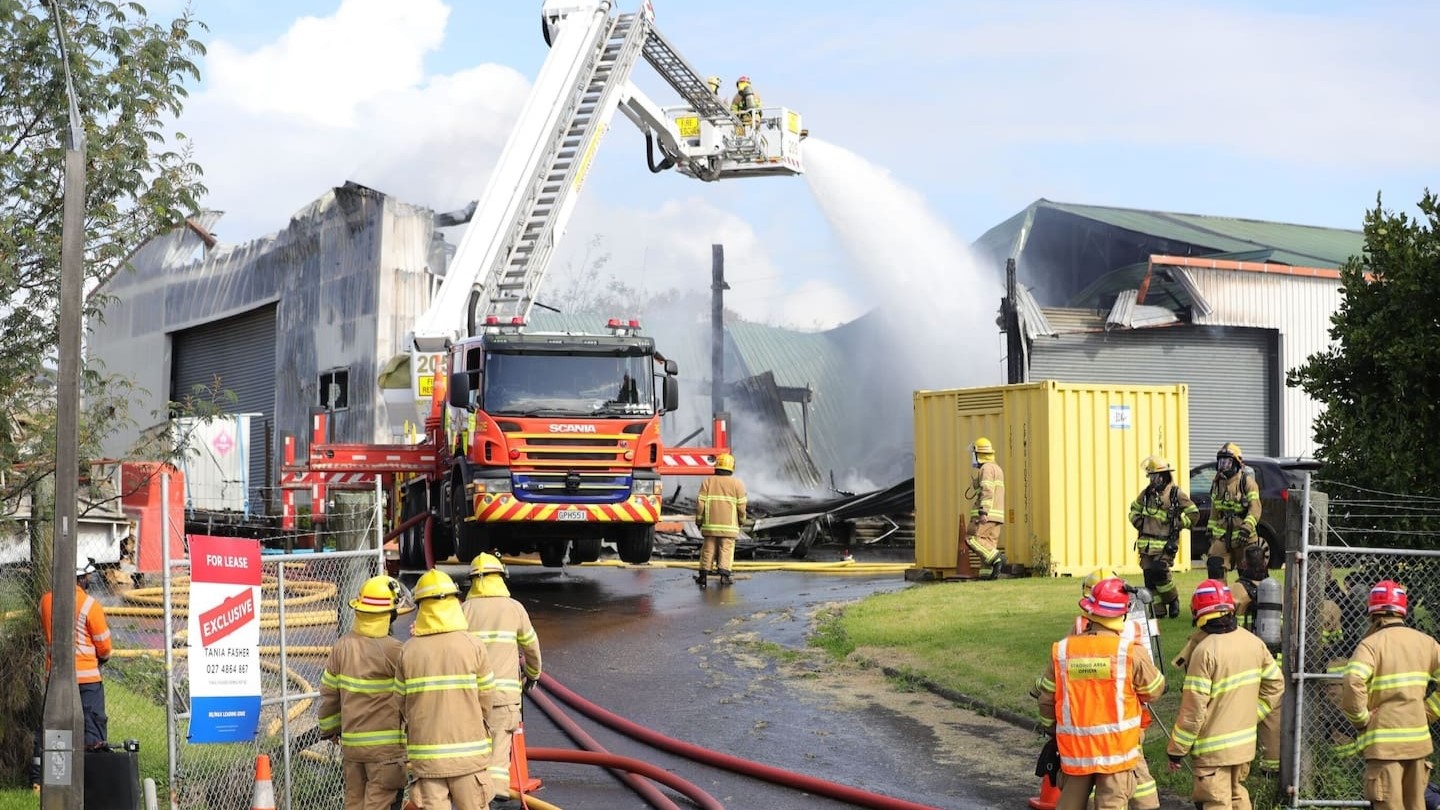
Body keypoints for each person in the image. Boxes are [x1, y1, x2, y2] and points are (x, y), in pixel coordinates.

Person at [1035, 577, 1165, 810]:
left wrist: (1052, 730)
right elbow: (1154, 691)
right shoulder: (1129, 653)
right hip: (1117, 754)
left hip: (1075, 753)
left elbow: (1046, 699)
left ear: (1091, 611)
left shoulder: (1063, 650)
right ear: (1122, 614)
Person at [1167, 579, 1284, 810]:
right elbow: (1276, 685)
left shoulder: (1204, 652)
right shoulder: (1253, 642)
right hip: (1244, 747)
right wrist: (1253, 714)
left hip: (1213, 752)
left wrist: (1176, 750)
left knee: (1216, 802)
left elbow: (1193, 712)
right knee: (1237, 795)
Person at [398, 569, 499, 810]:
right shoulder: (473, 645)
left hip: (427, 758)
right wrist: (478, 724)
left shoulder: (408, 650)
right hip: (469, 756)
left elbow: (401, 703)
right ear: (454, 602)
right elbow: (486, 697)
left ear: (422, 607)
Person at [1341, 580, 1440, 810]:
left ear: (1372, 612)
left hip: (1384, 745)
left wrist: (1361, 719)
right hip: (1418, 744)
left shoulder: (1370, 646)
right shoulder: (1426, 643)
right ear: (1402, 610)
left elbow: (1353, 680)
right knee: (1416, 804)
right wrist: (1429, 711)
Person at [318, 576, 413, 810]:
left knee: (354, 803)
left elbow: (329, 694)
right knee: (380, 803)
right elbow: (414, 697)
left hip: (352, 748)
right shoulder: (395, 651)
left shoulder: (342, 646)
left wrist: (330, 728)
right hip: (386, 752)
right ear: (389, 615)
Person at [462, 554, 543, 797]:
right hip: (504, 698)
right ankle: (496, 797)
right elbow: (531, 646)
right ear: (501, 578)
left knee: (474, 751)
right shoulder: (514, 608)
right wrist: (532, 673)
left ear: (474, 580)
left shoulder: (463, 610)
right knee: (498, 755)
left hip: (471, 698)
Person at [32, 560, 112, 792]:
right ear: (81, 579)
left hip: (55, 677)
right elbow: (104, 646)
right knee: (92, 726)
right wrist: (101, 658)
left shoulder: (45, 601)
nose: (89, 579)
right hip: (87, 680)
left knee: (51, 727)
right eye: (87, 576)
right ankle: (89, 779)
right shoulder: (89, 604)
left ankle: (40, 779)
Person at [1128, 454, 1197, 619]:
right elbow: (1133, 510)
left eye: (1155, 476)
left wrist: (1178, 523)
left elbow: (1193, 514)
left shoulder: (1175, 494)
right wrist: (1139, 523)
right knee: (1149, 578)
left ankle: (1172, 599)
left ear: (1164, 475)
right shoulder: (1146, 494)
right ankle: (1159, 610)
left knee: (1160, 572)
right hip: (1146, 544)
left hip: (1165, 543)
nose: (1152, 480)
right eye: (1150, 476)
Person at [1204, 443, 1261, 581]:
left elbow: (1255, 507)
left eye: (1227, 462)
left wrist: (1247, 528)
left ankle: (1250, 600)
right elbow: (1214, 509)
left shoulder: (1246, 482)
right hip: (1222, 534)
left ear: (1236, 463)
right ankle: (1221, 599)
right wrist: (1211, 530)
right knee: (1215, 565)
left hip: (1243, 536)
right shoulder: (1217, 483)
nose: (1223, 466)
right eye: (1221, 461)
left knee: (1249, 573)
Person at [695, 452, 747, 588]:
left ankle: (703, 576)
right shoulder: (738, 484)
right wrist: (742, 520)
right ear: (732, 467)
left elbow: (700, 504)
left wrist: (699, 520)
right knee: (726, 549)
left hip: (710, 526)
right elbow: (741, 507)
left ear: (716, 466)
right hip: (729, 527)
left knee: (708, 549)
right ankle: (724, 576)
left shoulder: (707, 482)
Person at [962, 436, 1007, 580]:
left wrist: (983, 512)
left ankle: (998, 558)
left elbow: (987, 490)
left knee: (971, 538)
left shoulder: (986, 468)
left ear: (979, 454)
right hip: (997, 516)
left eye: (973, 454)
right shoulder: (997, 469)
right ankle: (987, 577)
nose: (972, 458)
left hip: (986, 515)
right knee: (987, 546)